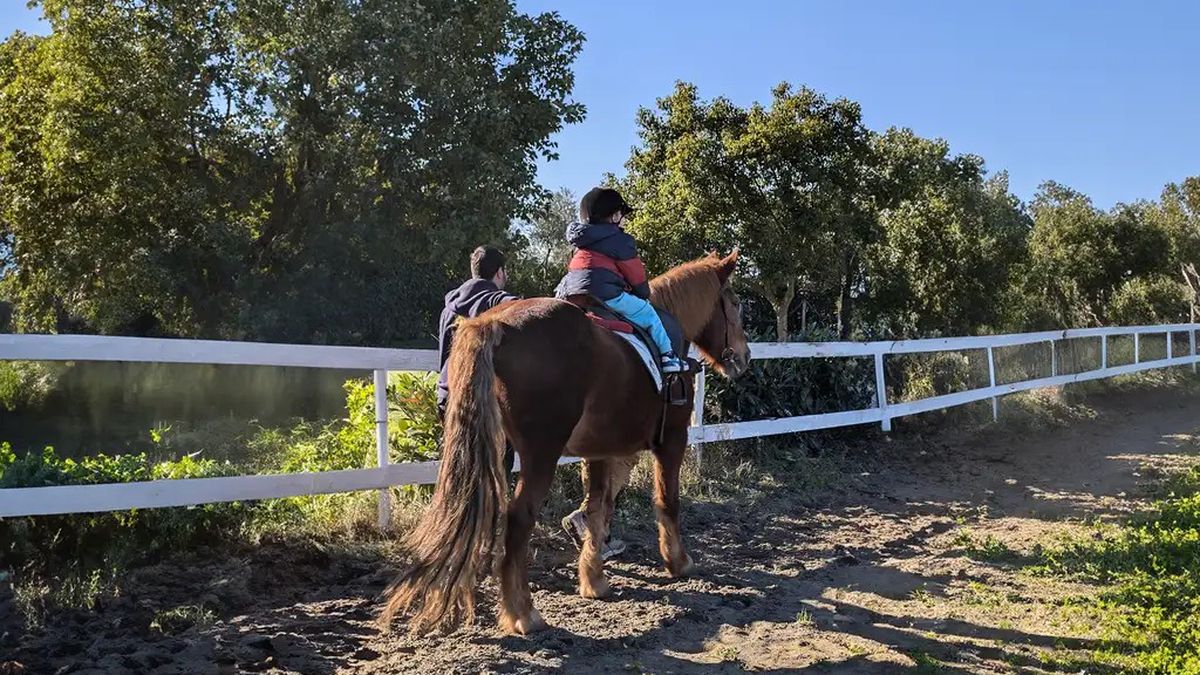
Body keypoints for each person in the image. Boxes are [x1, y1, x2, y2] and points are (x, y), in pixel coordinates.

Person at [555, 187, 686, 373]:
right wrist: (642, 293)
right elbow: (637, 278)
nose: (624, 220)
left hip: (570, 294)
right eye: (622, 215)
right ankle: (668, 357)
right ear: (615, 216)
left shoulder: (580, 243)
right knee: (649, 314)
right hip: (605, 295)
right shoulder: (621, 240)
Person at [437, 246, 520, 467]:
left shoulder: (449, 310)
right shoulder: (506, 306)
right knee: (497, 469)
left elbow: (444, 356)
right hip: (490, 400)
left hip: (450, 397)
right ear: (500, 272)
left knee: (461, 468)